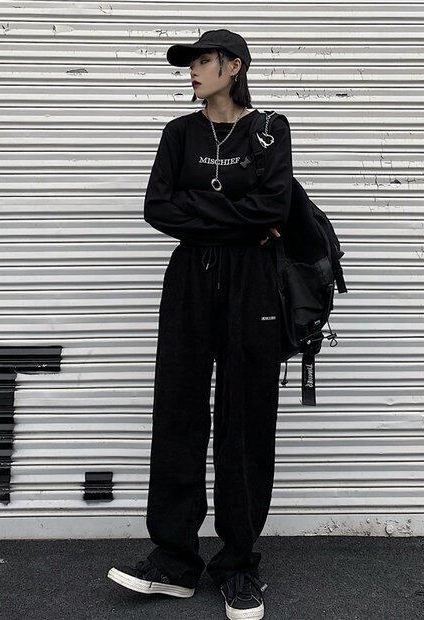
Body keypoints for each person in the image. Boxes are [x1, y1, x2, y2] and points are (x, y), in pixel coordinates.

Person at [107, 29, 293, 620]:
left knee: (246, 417)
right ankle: (174, 562)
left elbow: (275, 207)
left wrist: (200, 210)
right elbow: (157, 207)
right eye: (190, 63)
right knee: (178, 412)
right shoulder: (179, 132)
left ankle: (238, 566)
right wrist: (239, 220)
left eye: (203, 60)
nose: (192, 70)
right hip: (190, 278)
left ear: (233, 66)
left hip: (252, 285)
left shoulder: (270, 129)